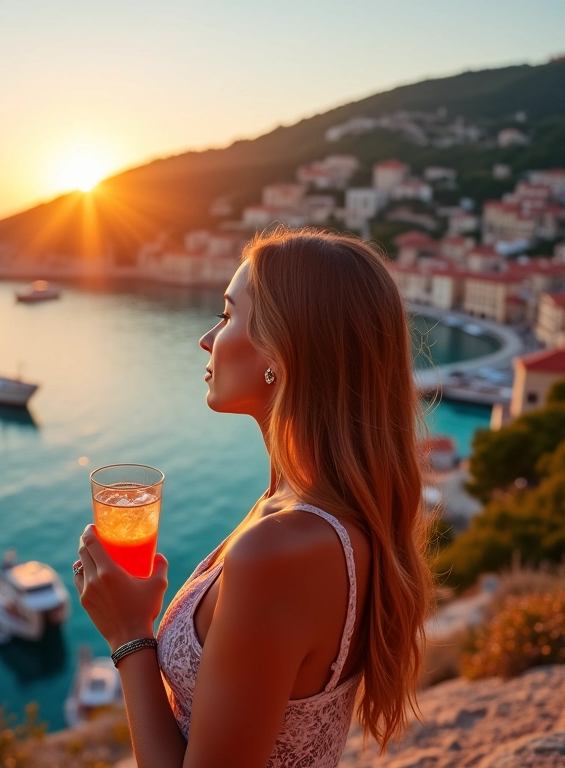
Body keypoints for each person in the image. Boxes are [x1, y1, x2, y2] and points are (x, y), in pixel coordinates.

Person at [73, 228, 434, 767]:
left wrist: (129, 635)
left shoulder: (283, 549)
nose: (205, 338)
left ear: (279, 350)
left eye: (225, 314)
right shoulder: (304, 511)